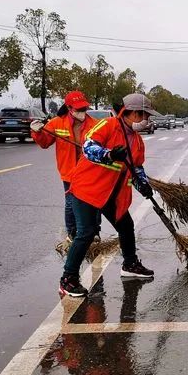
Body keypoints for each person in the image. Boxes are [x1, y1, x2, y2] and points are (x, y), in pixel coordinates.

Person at [57, 93, 155, 297]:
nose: (147, 120)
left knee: (126, 225)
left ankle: (130, 264)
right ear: (133, 113)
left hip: (112, 193)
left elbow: (136, 167)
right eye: (145, 115)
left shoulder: (137, 141)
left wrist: (143, 184)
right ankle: (68, 279)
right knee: (86, 232)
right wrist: (108, 154)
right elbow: (88, 146)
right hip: (87, 189)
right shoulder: (109, 126)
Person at [30, 91, 101, 242]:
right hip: (69, 171)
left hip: (90, 171)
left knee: (93, 202)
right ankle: (72, 232)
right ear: (69, 108)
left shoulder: (94, 124)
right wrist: (37, 133)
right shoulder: (57, 123)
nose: (82, 112)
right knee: (70, 204)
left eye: (84, 109)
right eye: (79, 109)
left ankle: (95, 231)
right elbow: (45, 143)